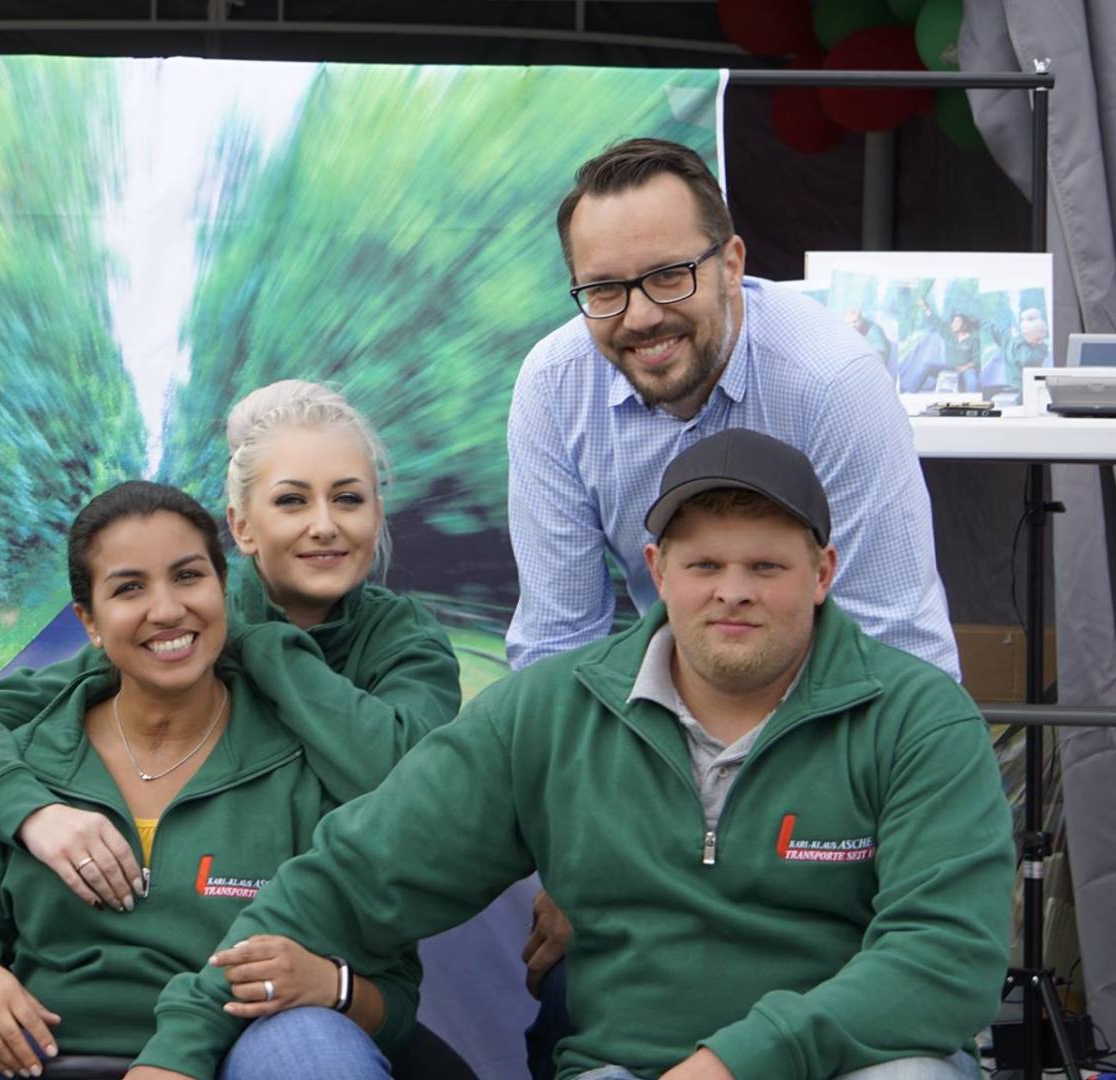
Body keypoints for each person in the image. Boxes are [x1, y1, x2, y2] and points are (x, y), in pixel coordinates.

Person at [136, 429, 1014, 1080]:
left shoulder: (918, 719)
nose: (733, 592)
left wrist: (735, 1064)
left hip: (854, 1064)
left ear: (822, 574)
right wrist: (178, 1050)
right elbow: (356, 877)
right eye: (704, 566)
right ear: (657, 570)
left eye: (767, 568)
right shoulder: (553, 711)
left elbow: (944, 958)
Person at [0, 481, 417, 1080]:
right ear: (89, 621)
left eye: (188, 576)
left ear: (223, 588)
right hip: (32, 1060)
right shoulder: (19, 764)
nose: (167, 610)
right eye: (129, 588)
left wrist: (329, 986)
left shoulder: (305, 763)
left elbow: (391, 994)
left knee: (314, 1046)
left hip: (230, 1059)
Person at [0, 380, 460, 913]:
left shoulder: (405, 642)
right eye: (292, 501)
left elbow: (412, 793)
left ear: (376, 514)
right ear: (242, 527)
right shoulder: (182, 632)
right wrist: (35, 813)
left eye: (348, 498)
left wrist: (262, 645)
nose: (324, 525)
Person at [505, 138, 958, 681]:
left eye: (669, 275)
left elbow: (895, 647)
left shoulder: (833, 383)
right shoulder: (555, 385)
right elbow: (557, 643)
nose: (641, 316)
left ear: (732, 264)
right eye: (604, 289)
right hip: (661, 698)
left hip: (823, 703)